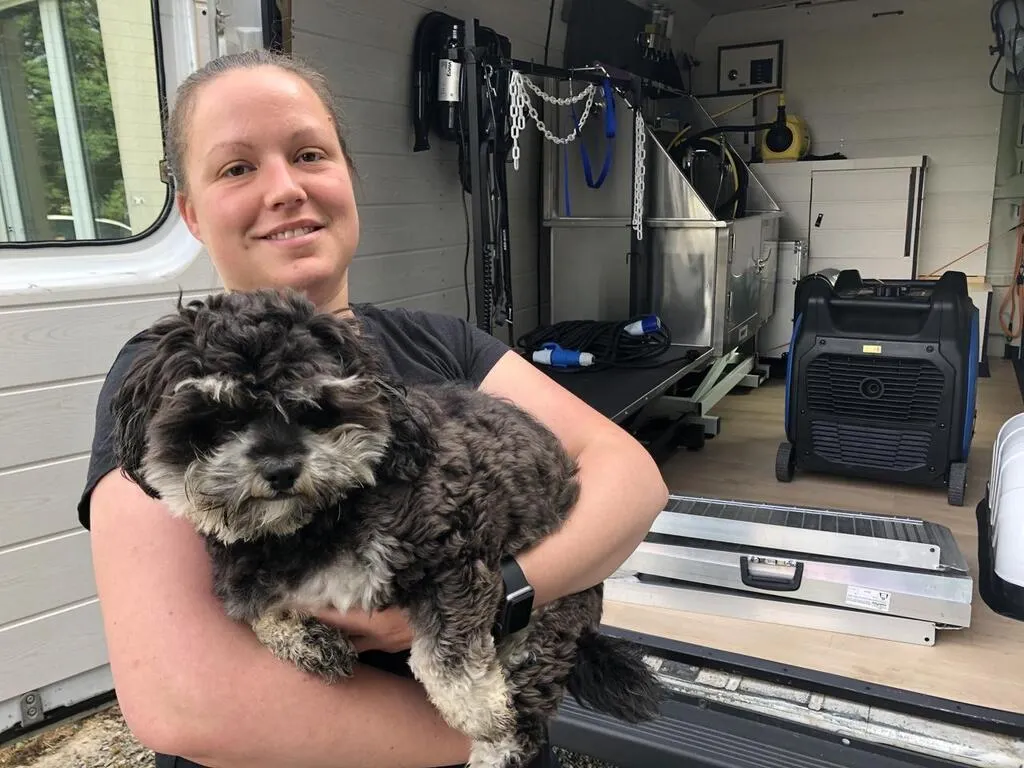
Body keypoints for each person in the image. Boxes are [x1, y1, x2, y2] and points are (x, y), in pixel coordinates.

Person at [77, 48, 669, 768]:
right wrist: (488, 738)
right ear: (194, 215)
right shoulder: (161, 379)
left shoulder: (444, 341)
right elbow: (187, 703)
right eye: (237, 167)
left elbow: (632, 479)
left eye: (309, 153)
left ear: (349, 179)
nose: (285, 188)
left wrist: (503, 592)